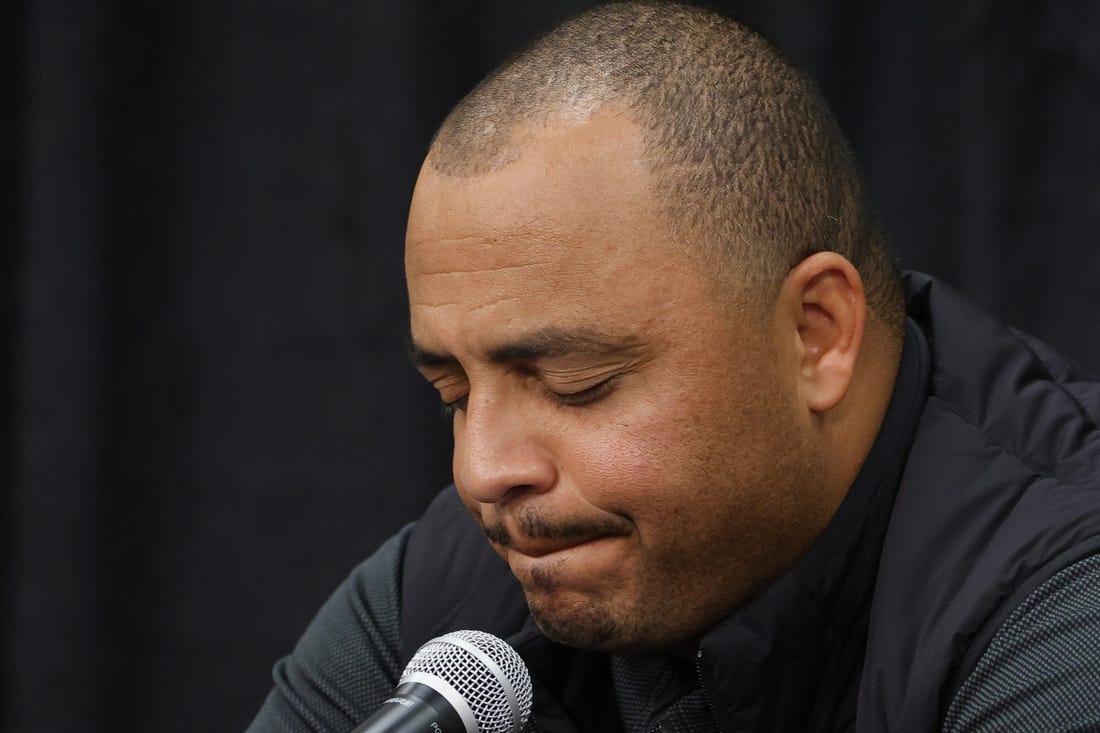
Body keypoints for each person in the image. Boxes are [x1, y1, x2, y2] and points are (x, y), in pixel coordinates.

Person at [247, 3, 1100, 731]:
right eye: (454, 396)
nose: (483, 472)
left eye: (576, 383)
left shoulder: (1066, 608)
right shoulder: (449, 597)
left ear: (817, 335)